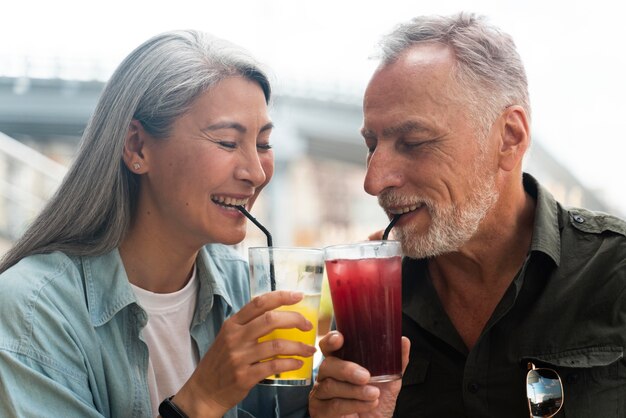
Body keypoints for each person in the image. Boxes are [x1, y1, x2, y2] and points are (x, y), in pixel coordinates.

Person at [309, 12, 626, 417]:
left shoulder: (615, 271)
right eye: (371, 144)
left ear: (509, 138)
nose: (374, 181)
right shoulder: (372, 297)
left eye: (413, 142)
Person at [0, 30, 314, 418]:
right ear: (137, 147)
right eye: (228, 143)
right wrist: (202, 401)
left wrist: (329, 407)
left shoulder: (244, 287)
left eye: (263, 144)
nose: (256, 172)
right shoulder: (33, 312)